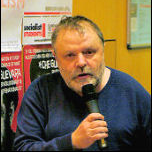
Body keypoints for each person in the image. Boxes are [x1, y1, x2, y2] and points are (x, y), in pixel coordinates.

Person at [14, 15, 151, 151]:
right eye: (70, 55)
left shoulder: (132, 92)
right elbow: (22, 147)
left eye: (89, 52)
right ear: (55, 57)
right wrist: (71, 142)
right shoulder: (41, 91)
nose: (81, 62)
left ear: (103, 50)